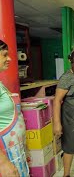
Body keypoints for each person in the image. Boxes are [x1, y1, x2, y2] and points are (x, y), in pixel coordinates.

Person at [0, 40, 29, 177]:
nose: (9, 59)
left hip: (14, 151)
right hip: (4, 155)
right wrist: (3, 163)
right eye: (5, 55)